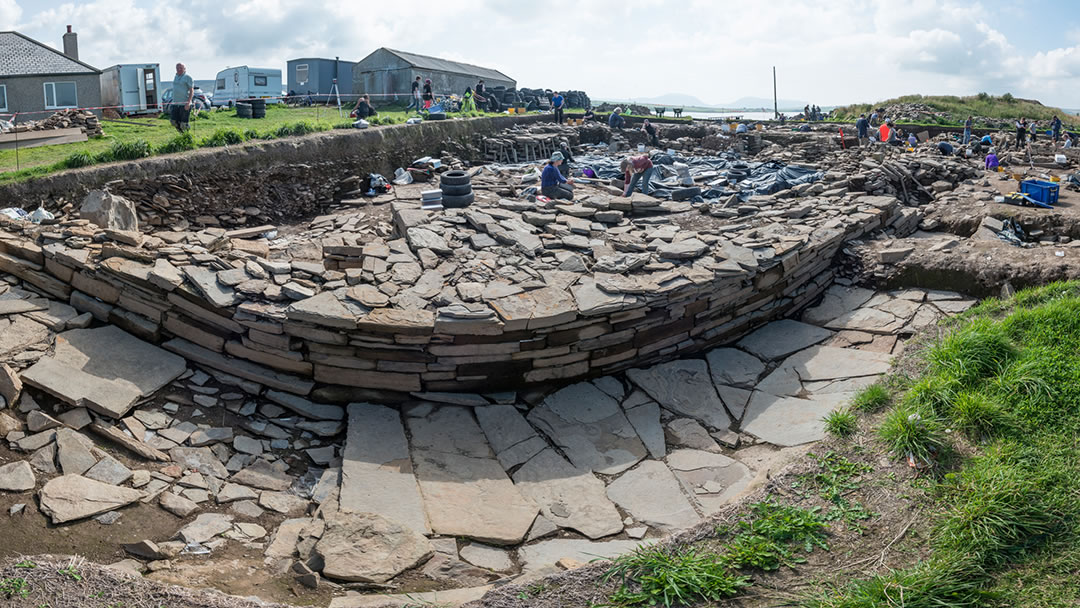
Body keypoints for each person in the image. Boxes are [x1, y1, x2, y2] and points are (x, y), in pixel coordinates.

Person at [170, 62, 194, 133]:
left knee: (184, 124)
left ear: (184, 69)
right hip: (175, 103)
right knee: (173, 121)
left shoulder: (187, 77)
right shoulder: (176, 77)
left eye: (181, 68)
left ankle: (186, 136)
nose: (179, 69)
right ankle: (181, 134)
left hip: (184, 104)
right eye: (177, 68)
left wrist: (188, 102)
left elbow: (191, 90)